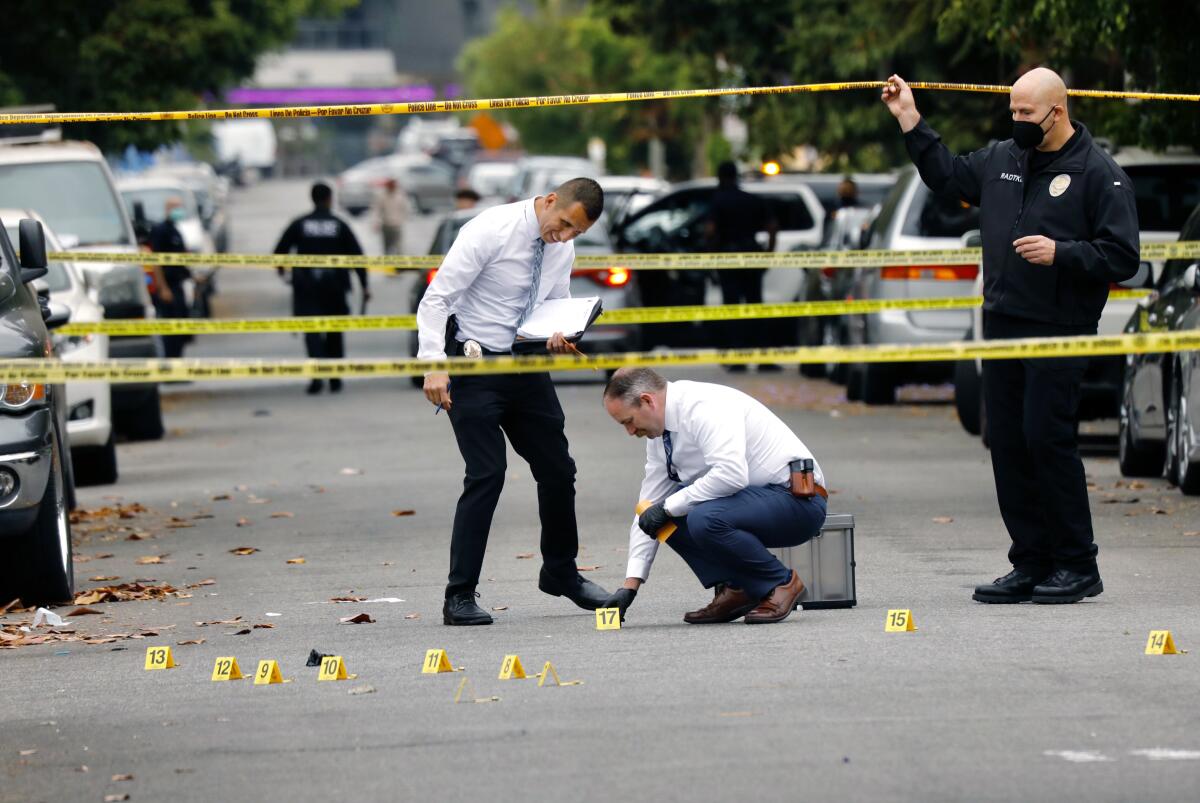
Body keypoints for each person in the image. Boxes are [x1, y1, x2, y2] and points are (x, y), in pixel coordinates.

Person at [882, 68, 1139, 604]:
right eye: (1013, 112)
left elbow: (1123, 256)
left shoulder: (1099, 173)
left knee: (1047, 441)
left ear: (1057, 112)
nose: (1017, 121)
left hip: (1058, 328)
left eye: (1027, 114)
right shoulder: (1003, 159)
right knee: (1009, 445)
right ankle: (1031, 560)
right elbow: (949, 176)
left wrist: (1061, 253)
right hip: (1002, 322)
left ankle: (1076, 563)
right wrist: (909, 116)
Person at [417, 177, 613, 625]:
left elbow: (554, 303)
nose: (563, 236)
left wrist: (560, 334)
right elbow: (436, 300)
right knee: (487, 473)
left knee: (559, 469)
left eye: (574, 233)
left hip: (524, 365)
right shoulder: (489, 229)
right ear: (547, 202)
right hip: (474, 365)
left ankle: (561, 571)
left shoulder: (562, 246)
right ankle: (459, 595)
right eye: (562, 224)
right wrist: (433, 364)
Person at [599, 367, 828, 625]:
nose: (630, 432)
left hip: (798, 503)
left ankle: (780, 583)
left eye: (628, 421)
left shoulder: (704, 406)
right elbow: (648, 510)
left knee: (699, 516)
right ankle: (738, 588)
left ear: (647, 401)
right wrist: (630, 586)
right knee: (662, 514)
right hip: (755, 502)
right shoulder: (659, 434)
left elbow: (732, 475)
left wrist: (668, 507)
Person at [274, 182, 370, 395]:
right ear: (329, 199)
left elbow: (280, 250)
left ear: (312, 198)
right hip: (335, 286)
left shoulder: (300, 224)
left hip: (306, 287)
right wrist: (364, 286)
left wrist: (282, 271)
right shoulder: (338, 224)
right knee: (334, 330)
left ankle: (317, 376)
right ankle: (335, 376)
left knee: (312, 332)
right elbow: (357, 256)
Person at [708, 160, 778, 370]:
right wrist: (767, 255)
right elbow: (773, 226)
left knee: (732, 309)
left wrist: (711, 259)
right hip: (751, 256)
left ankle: (738, 359)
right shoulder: (751, 199)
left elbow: (710, 232)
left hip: (728, 259)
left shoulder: (718, 201)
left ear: (720, 177)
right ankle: (764, 359)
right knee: (755, 306)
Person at [148, 197, 192, 359]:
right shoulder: (160, 231)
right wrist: (163, 288)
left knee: (181, 330)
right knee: (171, 332)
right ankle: (171, 368)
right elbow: (156, 262)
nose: (178, 210)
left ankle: (178, 366)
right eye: (175, 207)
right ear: (167, 209)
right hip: (169, 287)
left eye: (180, 206)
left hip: (179, 284)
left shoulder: (175, 230)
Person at [370, 178, 411, 256]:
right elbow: (376, 210)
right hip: (386, 225)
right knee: (387, 247)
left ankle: (399, 265)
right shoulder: (381, 196)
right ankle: (388, 264)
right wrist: (376, 222)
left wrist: (403, 218)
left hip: (397, 225)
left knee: (398, 247)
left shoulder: (400, 195)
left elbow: (405, 208)